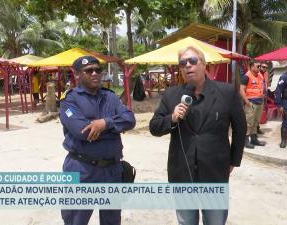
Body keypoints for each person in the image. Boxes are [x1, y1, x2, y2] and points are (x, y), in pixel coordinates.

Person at [149, 46, 246, 225]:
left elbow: (240, 129)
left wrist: (233, 161)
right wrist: (172, 117)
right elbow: (154, 127)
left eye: (193, 61)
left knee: (215, 221)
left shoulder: (226, 92)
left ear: (204, 64)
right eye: (183, 63)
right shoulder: (171, 95)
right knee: (186, 222)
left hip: (215, 172)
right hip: (182, 172)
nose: (188, 65)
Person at [59, 56, 136, 225]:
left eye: (97, 70)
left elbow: (130, 119)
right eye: (88, 71)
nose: (94, 73)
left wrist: (104, 123)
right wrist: (115, 127)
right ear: (77, 75)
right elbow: (82, 132)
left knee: (112, 220)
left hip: (112, 170)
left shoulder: (111, 97)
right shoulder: (69, 101)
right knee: (75, 220)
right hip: (82, 170)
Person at [239, 60, 266, 149]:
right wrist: (247, 102)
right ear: (252, 67)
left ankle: (254, 139)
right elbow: (241, 90)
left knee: (255, 122)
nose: (259, 68)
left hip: (259, 102)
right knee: (248, 123)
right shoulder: (246, 77)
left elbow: (261, 87)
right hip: (251, 103)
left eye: (259, 66)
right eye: (257, 66)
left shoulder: (260, 76)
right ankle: (245, 141)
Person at [257, 62, 270, 135]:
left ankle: (257, 128)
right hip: (257, 97)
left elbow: (265, 85)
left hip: (263, 96)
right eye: (263, 67)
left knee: (259, 113)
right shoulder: (257, 75)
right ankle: (254, 130)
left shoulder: (264, 75)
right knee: (256, 114)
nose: (265, 68)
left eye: (266, 67)